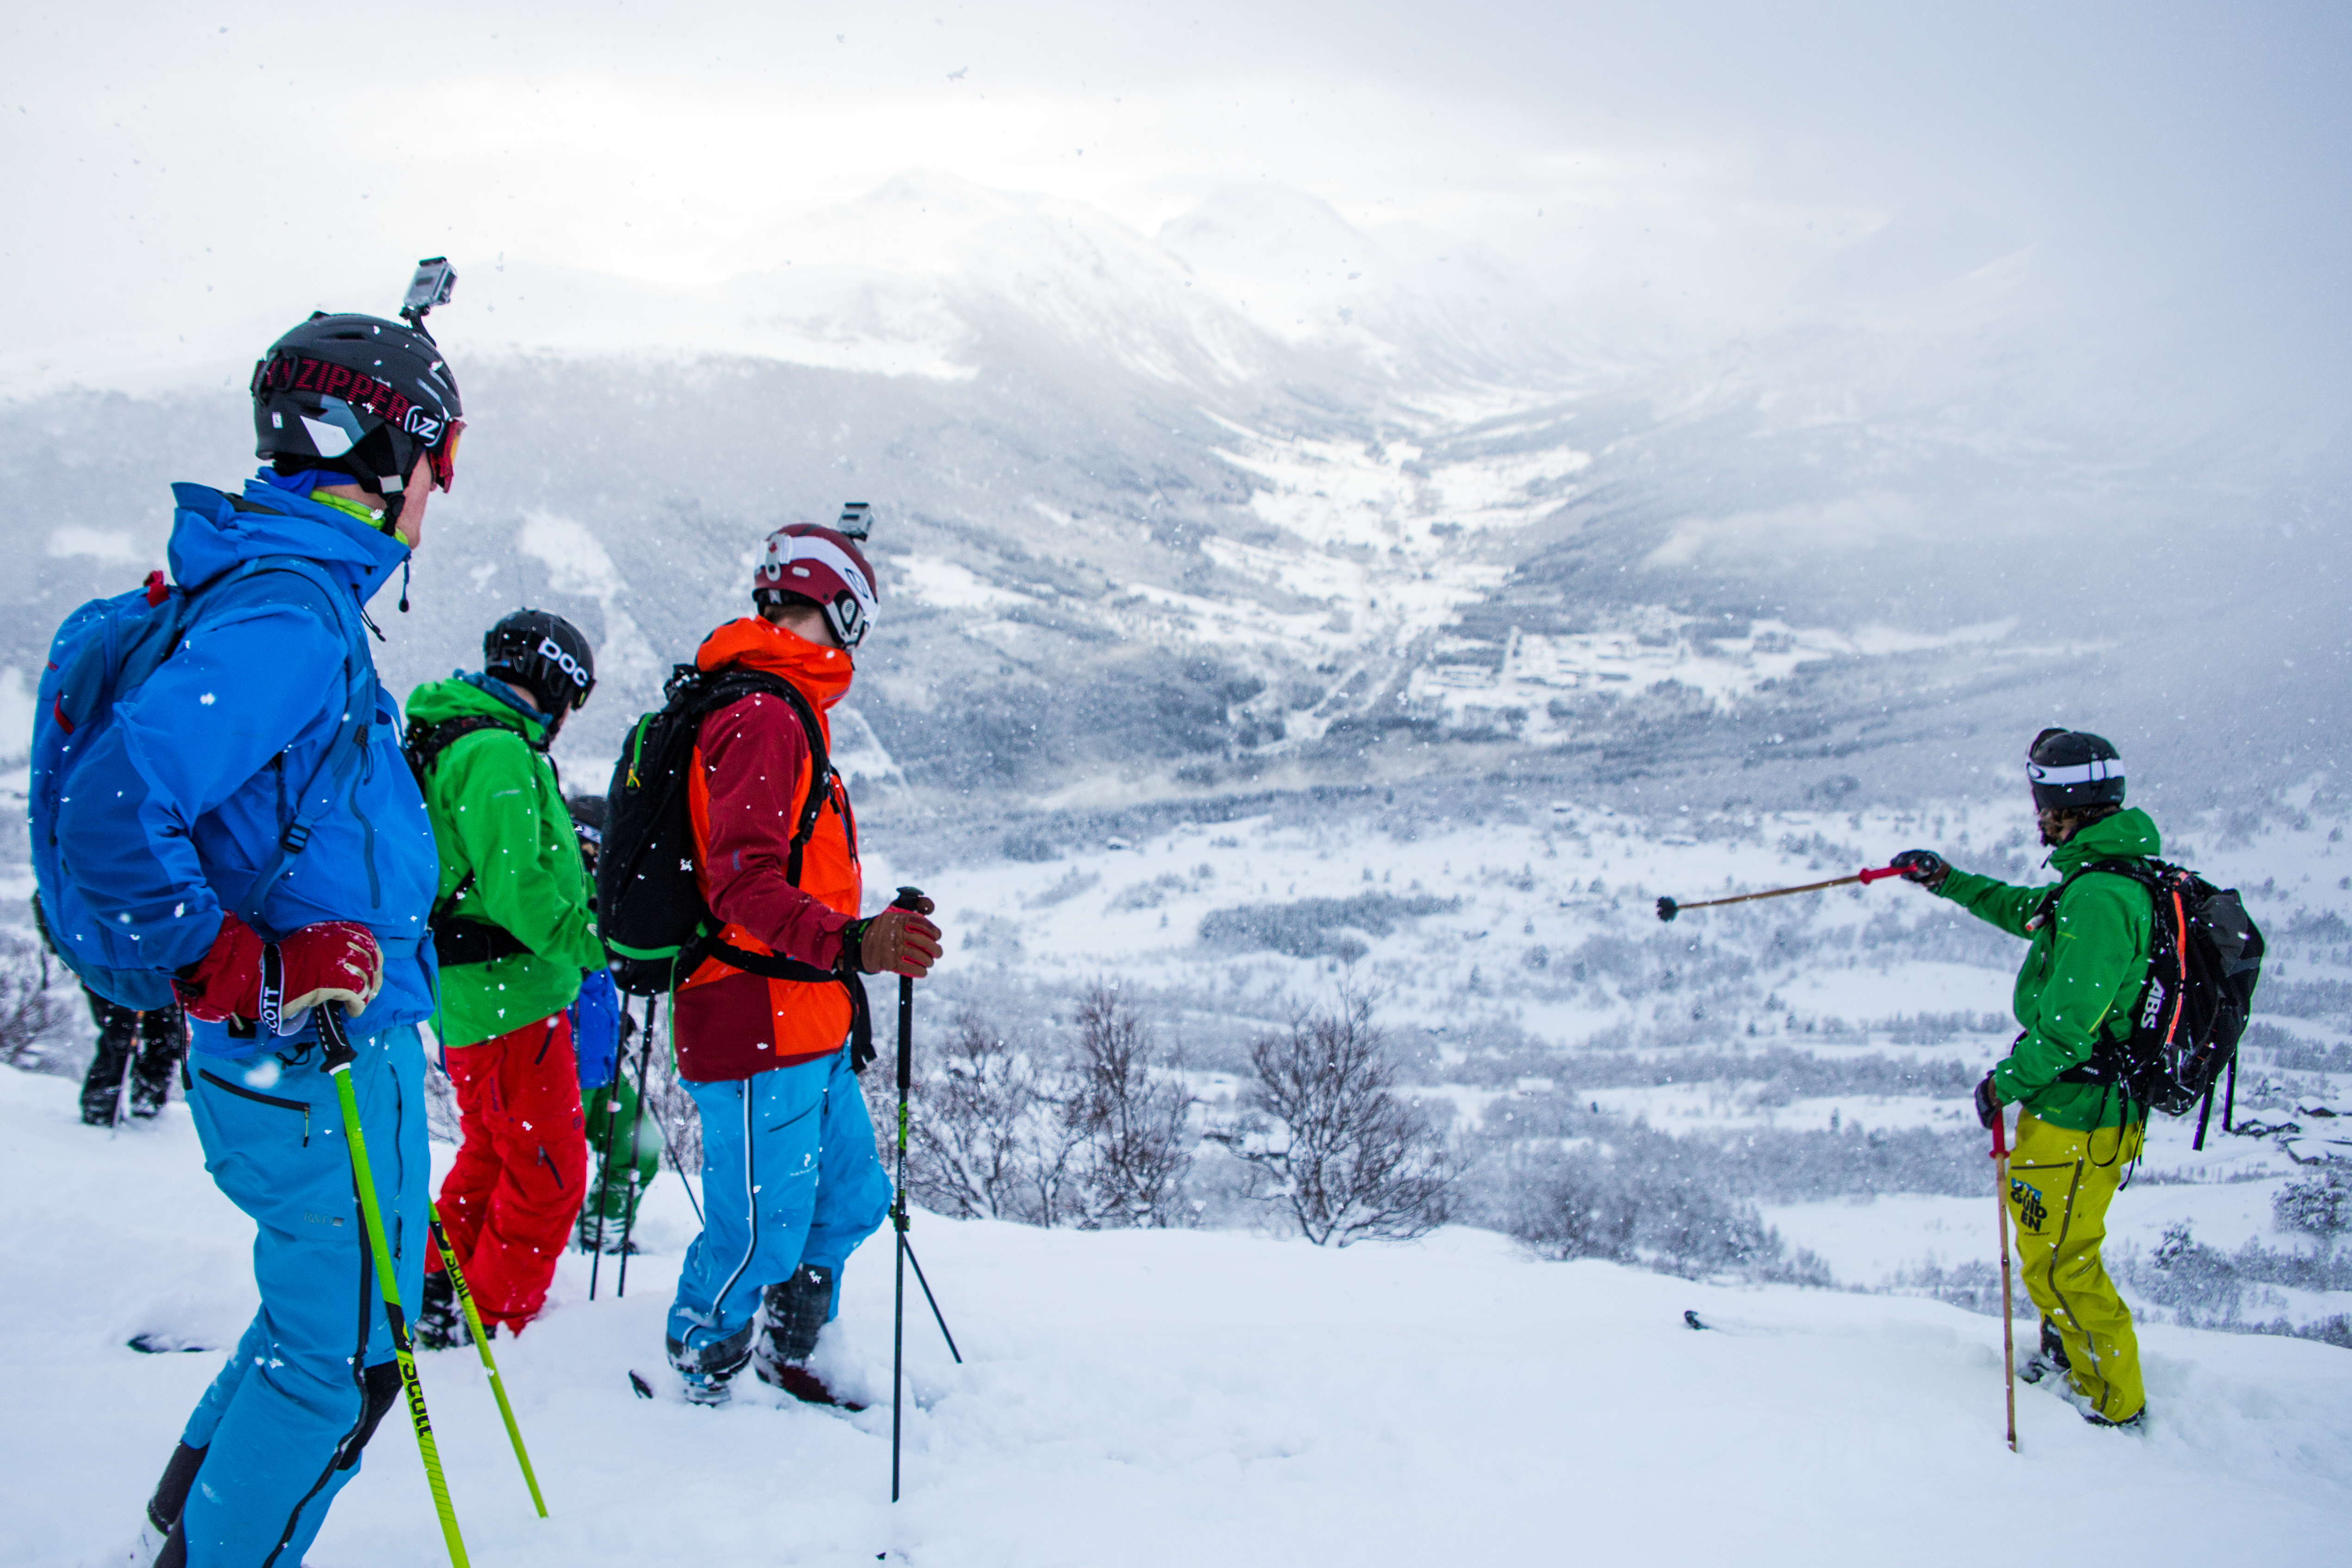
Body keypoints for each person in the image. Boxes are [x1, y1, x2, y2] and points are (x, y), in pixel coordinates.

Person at [50, 303, 460, 1563]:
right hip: (306, 1061)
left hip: (335, 1051)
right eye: (441, 470)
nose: (439, 500)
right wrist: (249, 966)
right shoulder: (287, 611)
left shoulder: (290, 592)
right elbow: (115, 808)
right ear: (392, 460)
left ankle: (177, 1530)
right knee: (339, 1369)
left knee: (325, 1337)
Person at [664, 522, 942, 1406]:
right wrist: (856, 942)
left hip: (807, 1016)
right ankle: (698, 1363)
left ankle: (799, 1345)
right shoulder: (761, 715)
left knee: (850, 1196)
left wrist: (863, 931)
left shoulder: (786, 709)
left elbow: (795, 876)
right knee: (756, 1233)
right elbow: (740, 887)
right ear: (837, 607)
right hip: (755, 1019)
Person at [1891, 728, 2156, 1430]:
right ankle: (2075, 1360)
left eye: (2041, 800)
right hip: (2071, 1106)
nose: (2035, 814)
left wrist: (2000, 1085)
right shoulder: (2091, 879)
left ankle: (2112, 1404)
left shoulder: (2101, 896)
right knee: (2047, 1245)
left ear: (2064, 805)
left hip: (2081, 1111)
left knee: (2062, 1261)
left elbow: (2069, 1031)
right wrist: (1946, 880)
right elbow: (2026, 913)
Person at [405, 611, 608, 1346]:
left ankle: (436, 1283)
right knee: (550, 1176)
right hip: (509, 995)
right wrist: (595, 945)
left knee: (490, 1151)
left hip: (475, 993)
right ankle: (496, 1323)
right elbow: (518, 884)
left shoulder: (459, 735)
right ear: (556, 682)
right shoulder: (493, 750)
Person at [565, 793, 657, 1255]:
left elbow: (592, 980)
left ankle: (603, 1233)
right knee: (552, 1168)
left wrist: (612, 1021)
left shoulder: (602, 905)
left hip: (594, 1057)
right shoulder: (563, 894)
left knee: (640, 1148)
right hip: (557, 1060)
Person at [75, 986, 186, 1127]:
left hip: (160, 980)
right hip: (113, 978)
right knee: (120, 1042)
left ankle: (148, 1098)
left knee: (165, 1038)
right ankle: (101, 1106)